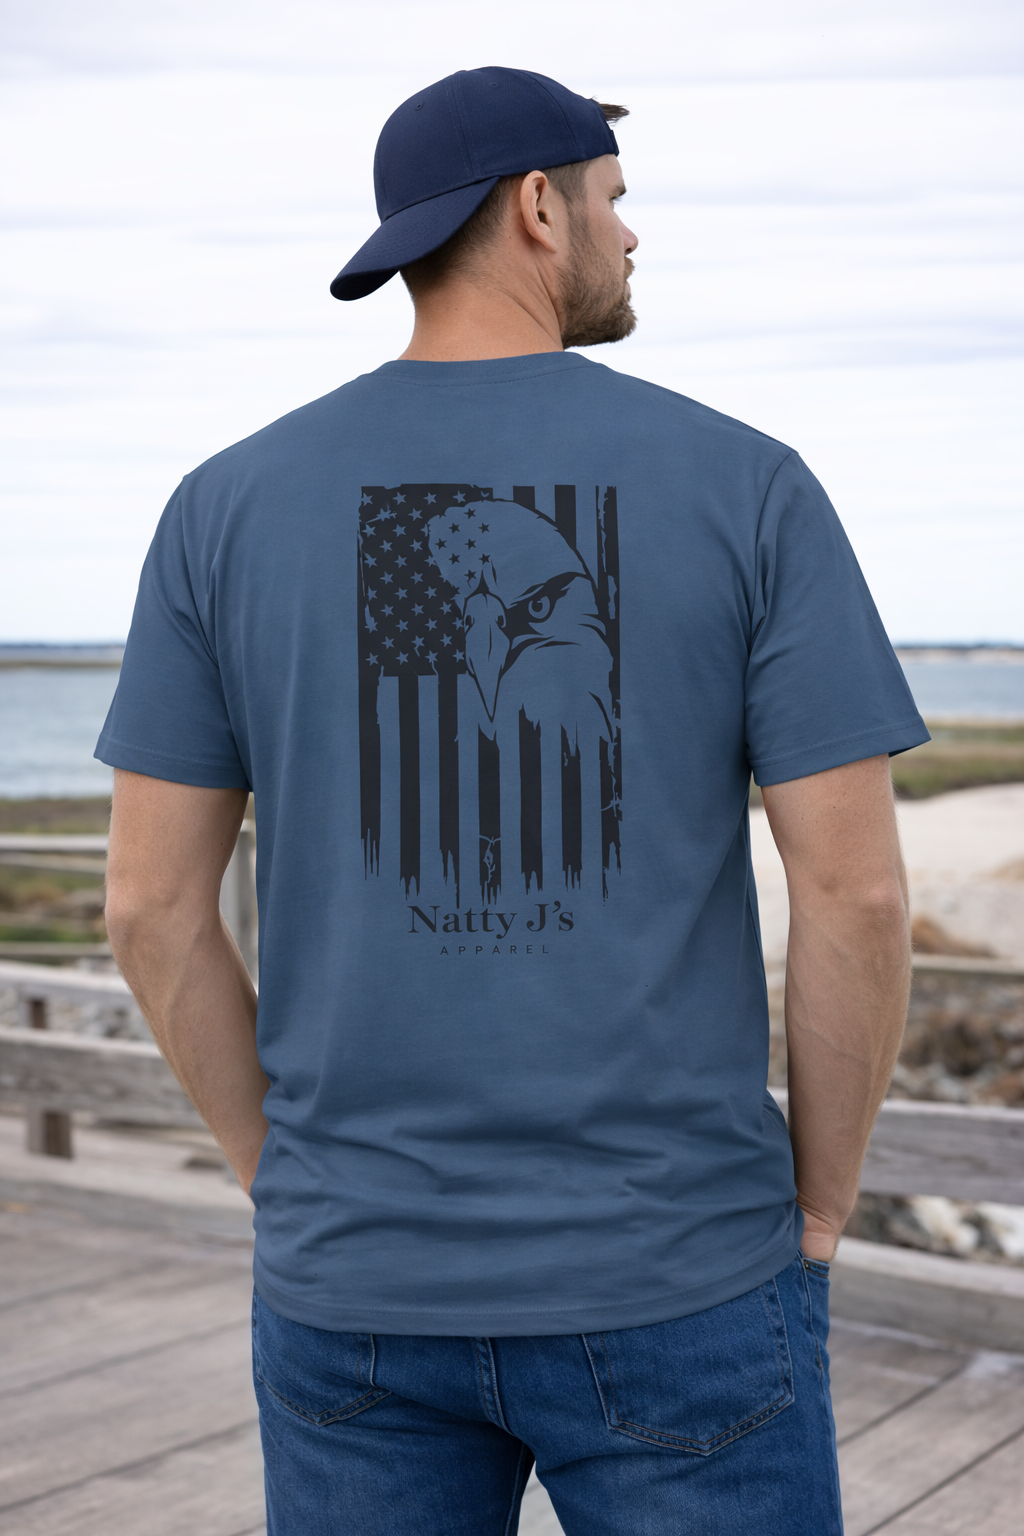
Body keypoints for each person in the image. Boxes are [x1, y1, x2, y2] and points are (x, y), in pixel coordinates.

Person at [99, 66, 927, 1536]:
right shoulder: (748, 486)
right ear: (539, 209)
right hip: (678, 1270)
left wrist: (281, 1179)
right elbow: (854, 894)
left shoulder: (221, 506)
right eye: (615, 200)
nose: (629, 234)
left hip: (353, 1276)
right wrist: (816, 1208)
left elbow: (151, 905)